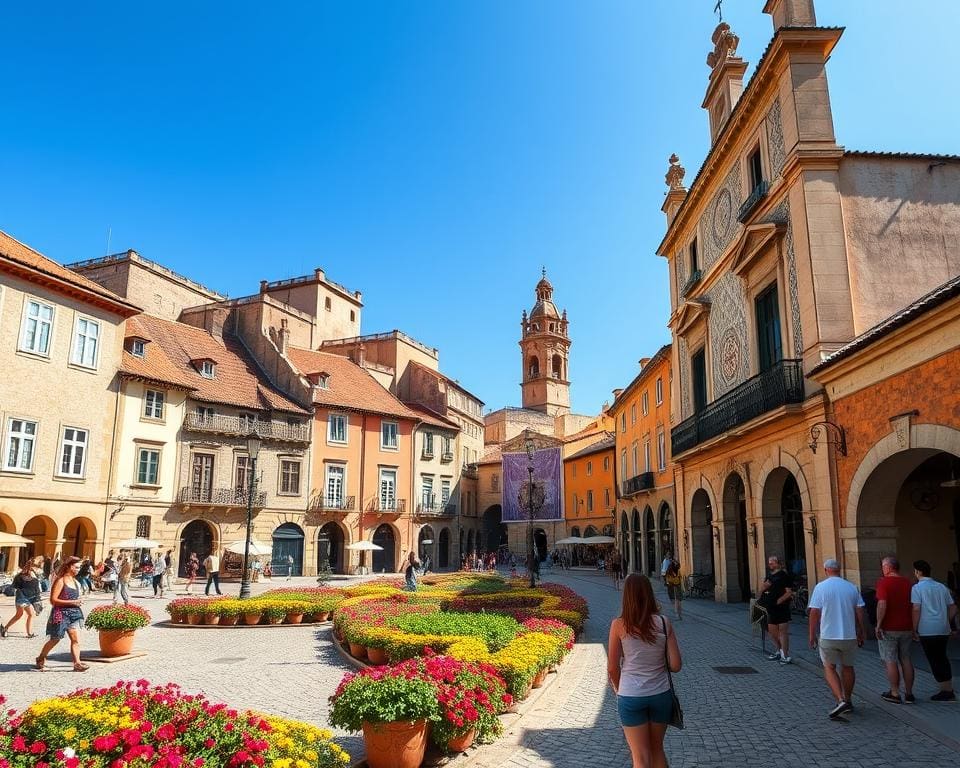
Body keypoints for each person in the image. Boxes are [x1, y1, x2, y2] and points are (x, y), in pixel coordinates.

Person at [608, 573, 682, 768]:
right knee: (657, 749)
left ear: (627, 596)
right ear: (649, 594)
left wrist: (618, 689)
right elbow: (676, 665)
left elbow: (612, 667)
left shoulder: (619, 625)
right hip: (660, 694)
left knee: (640, 756)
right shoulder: (664, 623)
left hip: (631, 695)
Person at [807, 558, 866, 719]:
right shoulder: (851, 587)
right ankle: (848, 699)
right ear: (839, 570)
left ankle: (840, 700)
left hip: (828, 635)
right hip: (849, 635)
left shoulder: (821, 587)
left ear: (826, 570)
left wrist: (812, 634)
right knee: (848, 667)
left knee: (829, 667)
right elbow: (860, 610)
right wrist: (861, 631)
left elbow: (814, 612)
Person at [911, 559, 958, 702]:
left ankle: (945, 690)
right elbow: (953, 607)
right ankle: (948, 687)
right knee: (942, 657)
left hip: (927, 628)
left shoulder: (917, 588)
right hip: (943, 628)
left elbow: (916, 609)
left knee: (934, 659)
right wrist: (946, 620)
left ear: (918, 572)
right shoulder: (941, 587)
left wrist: (914, 628)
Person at [36, 556, 88, 672]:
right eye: (76, 567)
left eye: (79, 567)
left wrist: (79, 600)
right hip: (60, 613)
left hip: (74, 613)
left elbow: (75, 597)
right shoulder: (60, 581)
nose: (78, 569)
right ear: (69, 567)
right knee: (55, 639)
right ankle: (41, 657)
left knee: (75, 639)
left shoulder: (75, 581)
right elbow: (53, 600)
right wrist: (73, 601)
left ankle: (77, 663)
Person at [875, 556, 915, 703]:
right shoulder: (908, 583)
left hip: (889, 627)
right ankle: (909, 693)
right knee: (906, 659)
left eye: (883, 567)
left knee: (890, 659)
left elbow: (882, 604)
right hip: (907, 627)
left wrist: (879, 624)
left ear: (888, 567)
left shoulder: (883, 582)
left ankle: (895, 692)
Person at [761, 555, 793, 664]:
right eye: (769, 563)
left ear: (778, 563)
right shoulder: (769, 575)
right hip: (770, 608)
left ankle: (785, 655)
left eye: (772, 562)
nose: (770, 565)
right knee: (771, 631)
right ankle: (779, 650)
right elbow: (762, 589)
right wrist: (763, 588)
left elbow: (789, 592)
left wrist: (779, 601)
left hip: (782, 608)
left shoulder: (783, 575)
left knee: (782, 631)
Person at [1, 561, 42, 638]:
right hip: (25, 599)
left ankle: (5, 628)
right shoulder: (34, 578)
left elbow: (14, 586)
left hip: (19, 598)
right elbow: (36, 590)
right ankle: (29, 633)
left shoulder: (19, 576)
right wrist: (37, 599)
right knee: (31, 614)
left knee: (19, 615)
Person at [663, 556, 683, 621]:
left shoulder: (669, 570)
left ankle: (677, 614)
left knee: (674, 600)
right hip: (678, 585)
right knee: (678, 600)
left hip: (671, 585)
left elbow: (666, 578)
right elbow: (680, 578)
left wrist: (667, 582)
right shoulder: (678, 570)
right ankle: (679, 614)